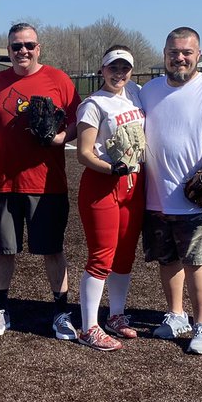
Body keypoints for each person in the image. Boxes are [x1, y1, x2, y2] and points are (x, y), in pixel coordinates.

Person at [140, 27, 202, 356]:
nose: (179, 58)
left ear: (198, 55)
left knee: (195, 261)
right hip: (155, 195)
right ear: (164, 54)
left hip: (193, 199)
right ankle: (177, 316)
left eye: (187, 52)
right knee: (167, 260)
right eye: (173, 52)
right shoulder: (149, 90)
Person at [0, 22, 82, 339]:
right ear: (8, 49)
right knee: (3, 250)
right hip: (3, 181)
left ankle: (61, 313)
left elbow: (80, 119)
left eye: (29, 45)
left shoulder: (58, 80)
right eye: (16, 46)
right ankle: (0, 309)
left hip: (47, 183)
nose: (22, 51)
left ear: (38, 48)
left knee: (52, 250)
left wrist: (61, 138)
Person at [74, 45, 146, 352]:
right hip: (103, 183)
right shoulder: (93, 104)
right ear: (102, 70)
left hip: (134, 183)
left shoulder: (136, 94)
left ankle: (115, 314)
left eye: (124, 68)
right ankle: (89, 326)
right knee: (102, 255)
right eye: (113, 68)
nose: (119, 74)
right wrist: (109, 167)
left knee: (125, 254)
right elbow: (83, 153)